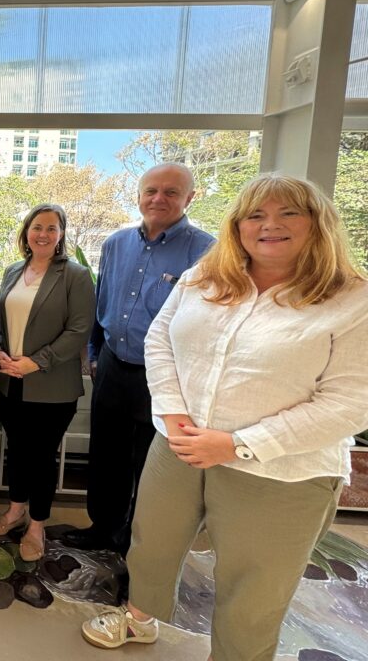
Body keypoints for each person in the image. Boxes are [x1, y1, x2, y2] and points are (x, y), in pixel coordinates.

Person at [82, 174, 368, 660]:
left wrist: (237, 443)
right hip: (178, 442)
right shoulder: (207, 277)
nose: (269, 225)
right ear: (238, 226)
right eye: (255, 215)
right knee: (153, 541)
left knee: (255, 580)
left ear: (318, 224)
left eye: (287, 214)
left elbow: (351, 402)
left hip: (278, 468)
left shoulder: (351, 298)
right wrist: (173, 416)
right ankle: (138, 619)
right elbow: (160, 339)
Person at [64, 162, 214, 554]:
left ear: (190, 198)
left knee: (154, 468)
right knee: (106, 457)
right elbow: (103, 303)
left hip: (166, 379)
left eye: (171, 192)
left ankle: (140, 549)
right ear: (139, 196)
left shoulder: (207, 251)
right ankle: (102, 530)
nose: (159, 199)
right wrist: (94, 356)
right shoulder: (115, 244)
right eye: (151, 190)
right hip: (112, 367)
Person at [0, 204, 96, 560]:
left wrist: (36, 362)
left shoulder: (75, 276)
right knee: (18, 451)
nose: (43, 234)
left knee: (42, 457)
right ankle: (15, 509)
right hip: (9, 381)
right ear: (27, 231)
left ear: (61, 234)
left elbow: (80, 329)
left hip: (51, 386)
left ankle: (37, 525)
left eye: (52, 228)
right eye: (37, 227)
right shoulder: (12, 271)